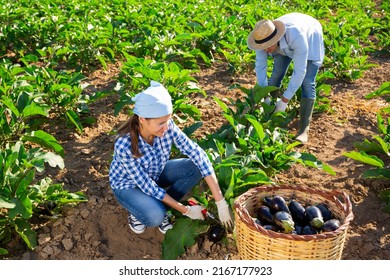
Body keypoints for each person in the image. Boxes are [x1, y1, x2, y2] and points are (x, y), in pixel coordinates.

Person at [109, 81, 233, 235]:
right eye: (161, 123)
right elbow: (146, 185)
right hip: (129, 186)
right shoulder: (124, 144)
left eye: (168, 120)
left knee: (195, 167)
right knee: (155, 216)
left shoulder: (167, 127)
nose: (166, 127)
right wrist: (186, 210)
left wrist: (220, 201)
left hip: (154, 173)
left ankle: (161, 206)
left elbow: (197, 154)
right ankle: (139, 213)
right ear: (142, 119)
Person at [247, 12, 325, 144]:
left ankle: (303, 130)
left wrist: (284, 101)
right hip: (284, 43)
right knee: (277, 73)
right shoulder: (262, 38)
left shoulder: (297, 36)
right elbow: (260, 67)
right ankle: (270, 113)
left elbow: (299, 71)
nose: (265, 51)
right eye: (263, 48)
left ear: (275, 39)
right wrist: (265, 96)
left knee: (307, 81)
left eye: (268, 47)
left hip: (310, 35)